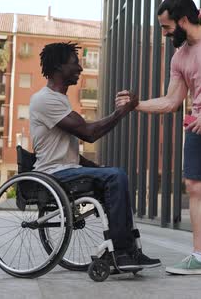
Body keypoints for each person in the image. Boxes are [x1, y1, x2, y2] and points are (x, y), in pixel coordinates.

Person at [117, 0, 201, 281]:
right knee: (193, 186)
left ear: (183, 20)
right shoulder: (180, 57)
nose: (165, 34)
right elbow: (171, 101)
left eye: (166, 28)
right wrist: (136, 104)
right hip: (197, 127)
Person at [30, 42, 160, 271]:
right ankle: (120, 252)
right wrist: (123, 111)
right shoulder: (45, 99)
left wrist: (100, 169)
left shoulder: (60, 99)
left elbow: (68, 154)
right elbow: (89, 134)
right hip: (53, 175)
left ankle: (130, 251)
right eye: (75, 63)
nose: (80, 68)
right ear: (59, 66)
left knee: (116, 175)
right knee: (115, 176)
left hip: (65, 170)